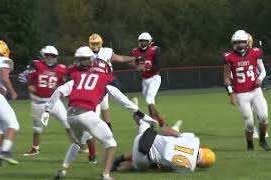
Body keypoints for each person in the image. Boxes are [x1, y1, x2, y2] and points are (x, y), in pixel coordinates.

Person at [44, 46, 141, 180]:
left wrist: (47, 110)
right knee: (111, 143)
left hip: (71, 114)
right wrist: (136, 111)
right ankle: (106, 175)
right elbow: (119, 96)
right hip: (86, 113)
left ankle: (64, 169)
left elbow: (59, 90)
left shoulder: (75, 73)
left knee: (78, 142)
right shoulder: (100, 75)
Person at [111, 115, 216, 173]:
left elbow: (165, 130)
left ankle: (120, 158)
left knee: (149, 133)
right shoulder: (189, 168)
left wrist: (169, 132)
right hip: (142, 159)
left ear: (203, 149)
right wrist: (154, 168)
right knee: (143, 163)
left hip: (143, 138)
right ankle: (117, 168)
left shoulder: (193, 140)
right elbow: (164, 168)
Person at [20, 46, 75, 156]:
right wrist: (28, 84)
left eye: (53, 56)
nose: (50, 58)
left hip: (54, 101)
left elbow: (68, 80)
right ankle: (35, 148)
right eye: (48, 55)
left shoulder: (61, 68)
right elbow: (22, 77)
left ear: (56, 57)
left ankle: (78, 145)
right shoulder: (35, 65)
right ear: (44, 56)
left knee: (67, 123)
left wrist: (61, 87)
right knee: (37, 129)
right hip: (38, 102)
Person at [223, 30, 271, 151]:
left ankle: (262, 140)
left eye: (242, 42)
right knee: (249, 122)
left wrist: (260, 78)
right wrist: (231, 93)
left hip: (255, 91)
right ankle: (250, 144)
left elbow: (263, 71)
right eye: (237, 42)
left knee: (264, 116)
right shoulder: (229, 57)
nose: (239, 45)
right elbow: (226, 78)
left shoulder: (255, 53)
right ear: (233, 43)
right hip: (241, 94)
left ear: (246, 42)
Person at [132, 32, 166, 127]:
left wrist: (146, 67)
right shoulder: (135, 51)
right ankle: (162, 122)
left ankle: (153, 122)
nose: (143, 43)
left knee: (149, 99)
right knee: (150, 102)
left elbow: (158, 66)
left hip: (154, 77)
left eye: (145, 41)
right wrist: (136, 66)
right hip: (144, 79)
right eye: (141, 41)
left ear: (150, 42)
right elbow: (135, 63)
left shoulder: (155, 50)